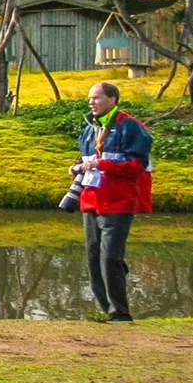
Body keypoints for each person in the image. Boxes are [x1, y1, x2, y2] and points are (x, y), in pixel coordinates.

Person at [74, 82, 152, 321]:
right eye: (90, 98)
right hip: (91, 201)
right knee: (94, 258)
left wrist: (102, 164)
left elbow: (137, 167)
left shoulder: (130, 127)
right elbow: (86, 159)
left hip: (118, 203)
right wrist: (76, 168)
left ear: (112, 99)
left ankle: (120, 313)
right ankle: (104, 311)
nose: (91, 103)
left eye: (96, 98)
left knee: (110, 258)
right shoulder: (89, 129)